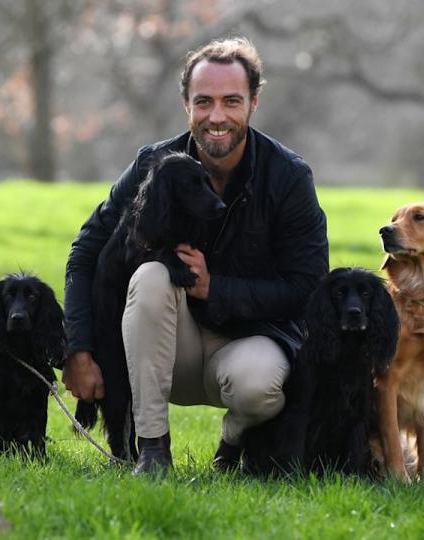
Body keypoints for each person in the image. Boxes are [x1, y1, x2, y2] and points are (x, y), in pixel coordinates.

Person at [59, 37, 328, 475]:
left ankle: (232, 442)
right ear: (186, 103)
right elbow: (84, 253)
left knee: (257, 386)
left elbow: (310, 289)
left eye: (231, 101)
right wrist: (79, 349)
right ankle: (152, 451)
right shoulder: (154, 163)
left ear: (254, 103)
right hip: (166, 345)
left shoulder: (289, 177)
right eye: (203, 101)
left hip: (248, 341)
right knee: (150, 276)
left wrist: (214, 288)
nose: (216, 116)